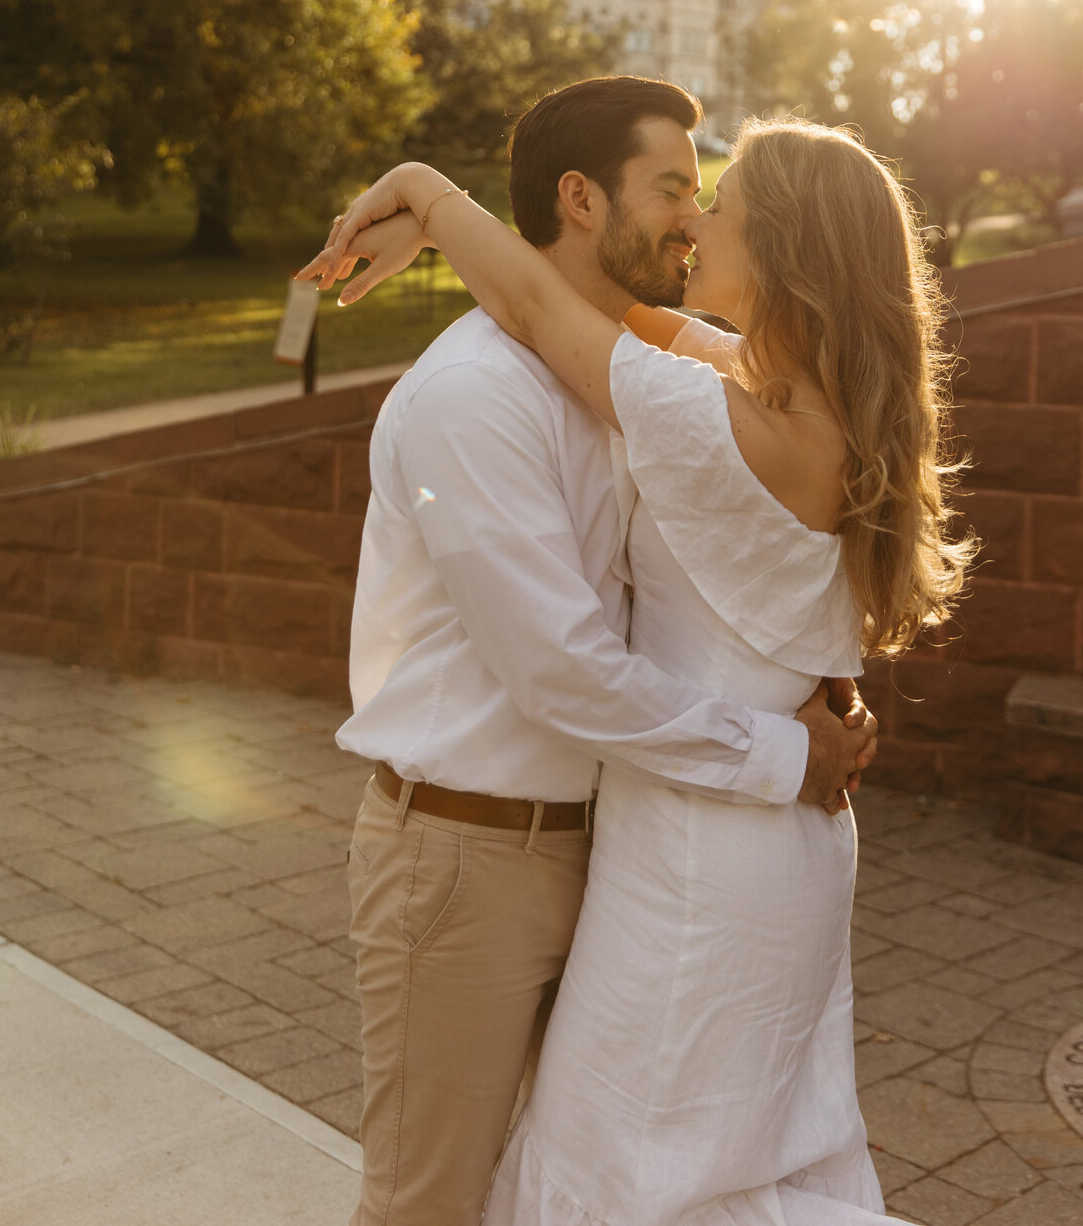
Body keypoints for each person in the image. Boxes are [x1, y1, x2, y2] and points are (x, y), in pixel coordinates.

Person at [311, 113, 973, 1226]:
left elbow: (543, 310)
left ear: (785, 256)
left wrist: (424, 186)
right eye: (682, 191)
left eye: (723, 206)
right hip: (757, 839)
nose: (699, 218)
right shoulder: (792, 395)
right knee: (721, 1161)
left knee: (632, 1177)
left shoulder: (717, 410)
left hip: (701, 852)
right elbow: (599, 313)